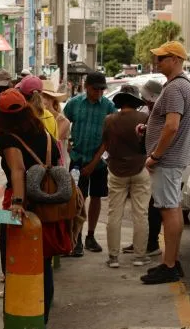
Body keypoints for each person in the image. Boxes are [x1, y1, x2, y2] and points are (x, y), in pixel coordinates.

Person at [0, 89, 61, 323]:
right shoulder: (40, 129)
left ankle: (21, 316)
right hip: (46, 199)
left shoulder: (8, 135)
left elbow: (18, 170)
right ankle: (42, 317)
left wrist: (17, 203)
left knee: (12, 256)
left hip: (18, 202)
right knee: (43, 260)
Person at [141, 42, 190, 285]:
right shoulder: (181, 85)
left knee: (168, 209)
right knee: (172, 209)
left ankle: (170, 265)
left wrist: (155, 155)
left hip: (167, 160)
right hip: (174, 159)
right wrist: (148, 128)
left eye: (161, 58)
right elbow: (169, 122)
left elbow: (173, 125)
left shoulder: (175, 88)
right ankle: (170, 261)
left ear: (174, 59)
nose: (157, 61)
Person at [86, 85, 151, 269]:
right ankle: (139, 256)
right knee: (141, 214)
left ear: (120, 102)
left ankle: (113, 257)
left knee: (115, 214)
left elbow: (106, 143)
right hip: (140, 168)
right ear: (136, 101)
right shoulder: (145, 118)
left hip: (116, 170)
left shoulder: (109, 119)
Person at [63, 71, 117, 257]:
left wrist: (95, 162)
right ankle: (76, 237)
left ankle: (91, 236)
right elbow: (63, 125)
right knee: (78, 199)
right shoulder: (74, 104)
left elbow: (109, 139)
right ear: (87, 87)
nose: (99, 92)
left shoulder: (109, 107)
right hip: (78, 160)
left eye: (102, 89)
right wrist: (69, 147)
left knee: (96, 197)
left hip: (99, 162)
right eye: (96, 89)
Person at [123, 79, 165, 256]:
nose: (146, 102)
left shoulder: (162, 110)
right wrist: (145, 128)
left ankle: (150, 243)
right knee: (145, 207)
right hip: (149, 163)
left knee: (153, 207)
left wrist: (154, 157)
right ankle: (143, 241)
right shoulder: (153, 110)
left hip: (157, 164)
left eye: (148, 99)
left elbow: (166, 133)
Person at [40, 84, 70, 167]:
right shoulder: (37, 118)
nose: (41, 101)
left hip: (56, 166)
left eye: (43, 97)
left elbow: (53, 144)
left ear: (52, 99)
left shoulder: (63, 121)